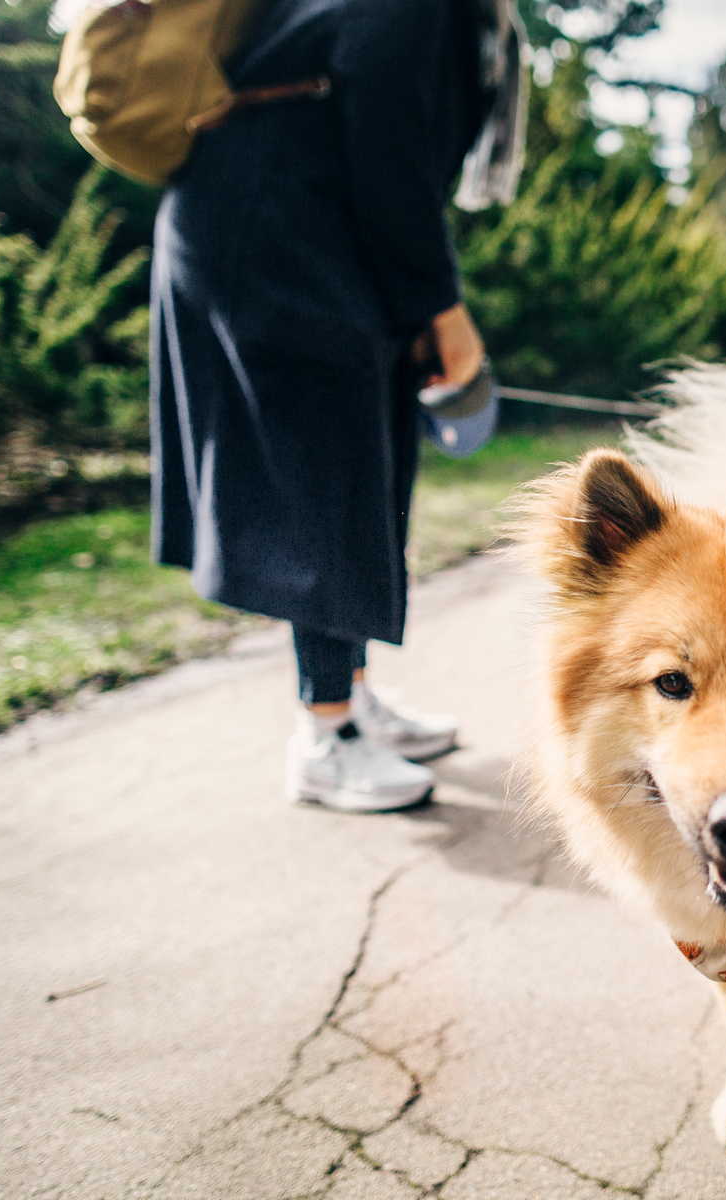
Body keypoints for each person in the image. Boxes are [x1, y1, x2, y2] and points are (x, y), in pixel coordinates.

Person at [150, 0, 523, 812]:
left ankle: (349, 694)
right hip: (268, 237)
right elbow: (389, 155)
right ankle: (326, 735)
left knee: (366, 455)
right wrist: (442, 310)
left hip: (302, 229)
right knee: (328, 474)